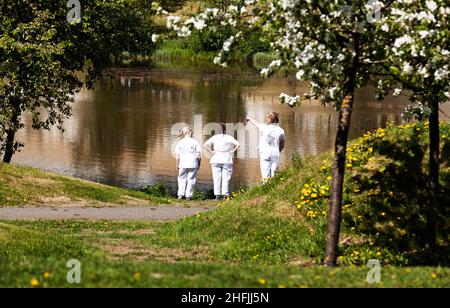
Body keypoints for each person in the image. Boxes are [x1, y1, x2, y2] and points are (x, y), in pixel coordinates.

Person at [203, 124, 240, 200]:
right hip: (226, 158)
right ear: (225, 130)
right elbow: (238, 144)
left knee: (216, 178)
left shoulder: (215, 137)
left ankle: (217, 195)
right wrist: (232, 150)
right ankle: (225, 195)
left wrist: (212, 151)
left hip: (216, 158)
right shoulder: (229, 137)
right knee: (225, 178)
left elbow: (205, 145)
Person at [247, 112, 286, 180]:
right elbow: (282, 145)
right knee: (274, 175)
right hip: (275, 154)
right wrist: (277, 151)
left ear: (270, 119)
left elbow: (256, 124)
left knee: (265, 176)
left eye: (267, 118)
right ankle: (274, 188)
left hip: (265, 153)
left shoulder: (265, 127)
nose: (266, 120)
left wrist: (249, 119)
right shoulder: (281, 130)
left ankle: (265, 188)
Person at [174, 126, 202, 200]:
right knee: (191, 179)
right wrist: (199, 164)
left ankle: (180, 195)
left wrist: (177, 164)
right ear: (188, 132)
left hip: (182, 163)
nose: (192, 132)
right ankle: (188, 196)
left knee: (181, 178)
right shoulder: (195, 142)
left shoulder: (180, 142)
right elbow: (199, 155)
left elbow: (177, 155)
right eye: (191, 131)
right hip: (193, 163)